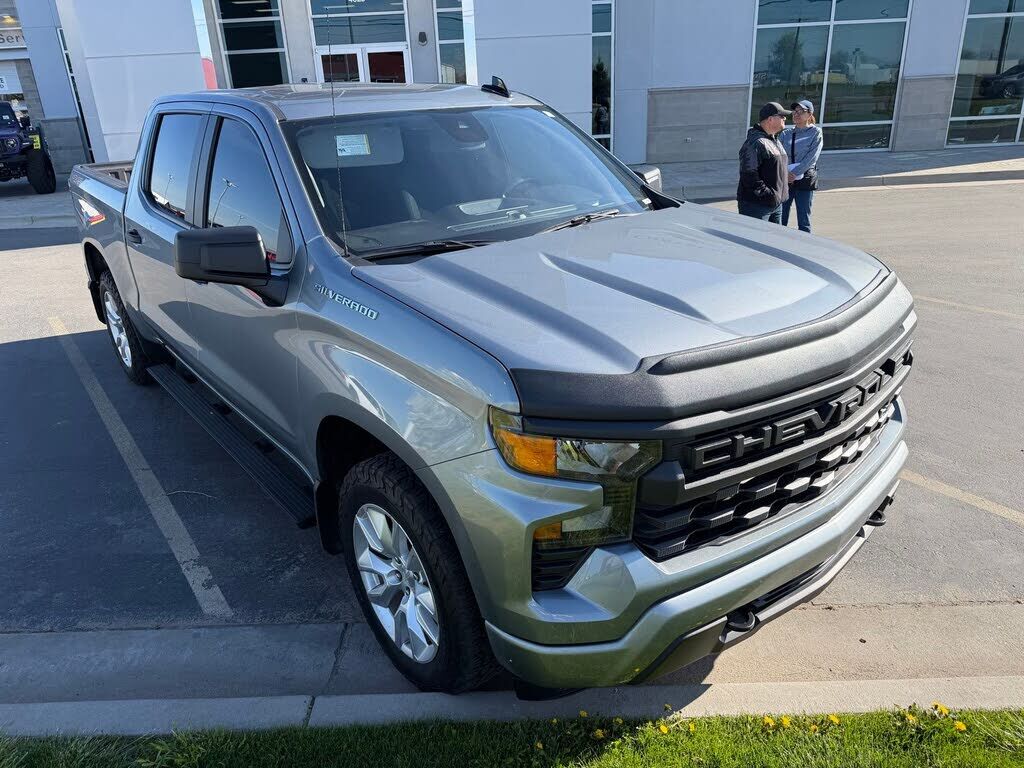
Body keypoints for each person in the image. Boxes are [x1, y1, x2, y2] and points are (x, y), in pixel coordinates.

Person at [737, 102, 790, 223]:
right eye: (781, 116)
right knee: (754, 240)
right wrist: (768, 195)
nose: (785, 118)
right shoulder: (756, 142)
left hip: (776, 204)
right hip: (757, 206)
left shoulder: (774, 140)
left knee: (774, 241)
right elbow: (749, 176)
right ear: (770, 119)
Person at [780, 99, 824, 233]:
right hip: (786, 180)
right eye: (794, 111)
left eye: (801, 111)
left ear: (809, 115)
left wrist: (795, 173)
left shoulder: (815, 133)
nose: (796, 114)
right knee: (781, 217)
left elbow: (812, 157)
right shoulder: (785, 134)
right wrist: (785, 174)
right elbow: (779, 155)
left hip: (805, 179)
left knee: (804, 220)